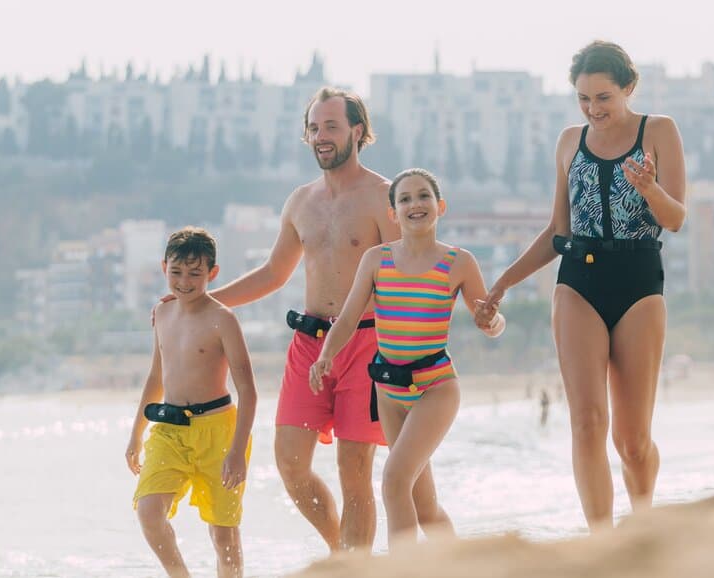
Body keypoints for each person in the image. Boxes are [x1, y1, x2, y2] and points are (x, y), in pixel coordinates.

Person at [483, 40, 686, 532]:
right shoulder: (568, 141)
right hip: (578, 280)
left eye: (604, 98)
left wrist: (650, 189)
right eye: (583, 99)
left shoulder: (657, 130)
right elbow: (559, 231)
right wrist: (504, 281)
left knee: (632, 441)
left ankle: (642, 525)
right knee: (586, 421)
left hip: (639, 278)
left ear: (629, 88)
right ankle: (601, 542)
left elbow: (675, 218)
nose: (593, 110)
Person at [204, 87, 399, 551]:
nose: (320, 136)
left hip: (367, 343)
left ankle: (352, 567)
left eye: (331, 126)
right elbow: (274, 272)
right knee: (290, 464)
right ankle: (340, 553)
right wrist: (207, 302)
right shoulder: (300, 201)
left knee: (355, 470)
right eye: (313, 128)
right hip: (309, 343)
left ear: (358, 130)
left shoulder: (382, 196)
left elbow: (403, 272)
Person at [309, 168, 505, 548]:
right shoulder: (375, 259)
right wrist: (325, 356)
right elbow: (348, 317)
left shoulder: (458, 262)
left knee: (395, 480)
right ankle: (460, 567)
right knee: (423, 503)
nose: (415, 204)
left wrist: (492, 320)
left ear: (440, 206)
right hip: (388, 392)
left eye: (423, 196)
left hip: (436, 387)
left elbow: (490, 322)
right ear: (393, 214)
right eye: (405, 199)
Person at [126, 227, 258, 578]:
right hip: (169, 430)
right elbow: (156, 377)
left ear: (212, 273)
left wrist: (237, 450)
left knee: (223, 533)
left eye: (195, 274)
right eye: (177, 272)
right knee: (149, 512)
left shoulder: (223, 319)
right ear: (164, 267)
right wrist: (136, 434)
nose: (184, 282)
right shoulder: (163, 313)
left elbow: (248, 390)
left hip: (218, 432)